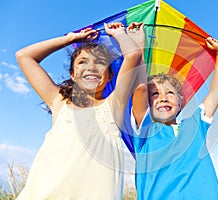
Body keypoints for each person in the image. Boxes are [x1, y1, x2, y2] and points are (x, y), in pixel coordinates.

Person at [15, 22, 144, 199]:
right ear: (73, 74)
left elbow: (133, 55)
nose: (91, 67)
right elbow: (24, 56)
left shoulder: (114, 106)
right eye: (83, 62)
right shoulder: (59, 102)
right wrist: (70, 39)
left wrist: (120, 33)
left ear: (110, 76)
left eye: (100, 63)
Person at [130, 37, 218, 199]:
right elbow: (139, 90)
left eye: (170, 93)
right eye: (155, 94)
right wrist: (141, 47)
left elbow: (217, 91)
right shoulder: (145, 131)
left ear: (180, 103)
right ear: (147, 104)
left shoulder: (194, 125)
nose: (163, 98)